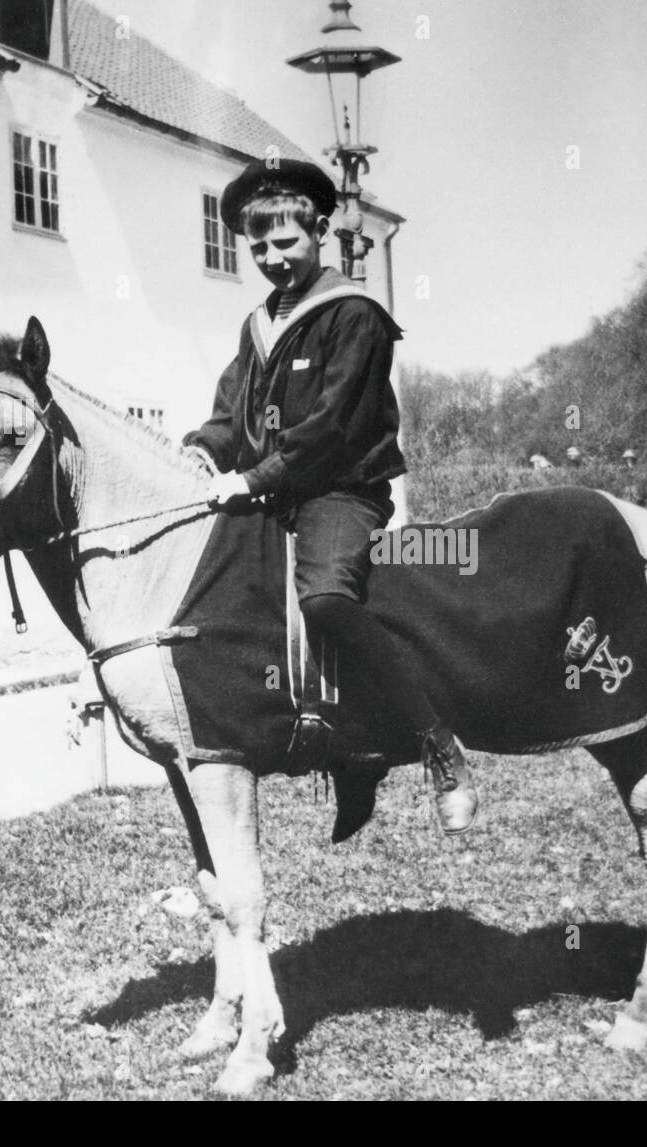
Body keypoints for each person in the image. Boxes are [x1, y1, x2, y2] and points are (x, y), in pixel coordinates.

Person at [182, 159, 478, 835]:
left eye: (286, 242)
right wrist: (202, 450)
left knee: (324, 599)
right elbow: (232, 417)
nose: (272, 257)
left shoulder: (355, 315)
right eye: (258, 246)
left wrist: (253, 481)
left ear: (318, 231)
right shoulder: (257, 325)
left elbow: (334, 427)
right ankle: (346, 746)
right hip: (275, 496)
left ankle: (439, 745)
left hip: (340, 491)